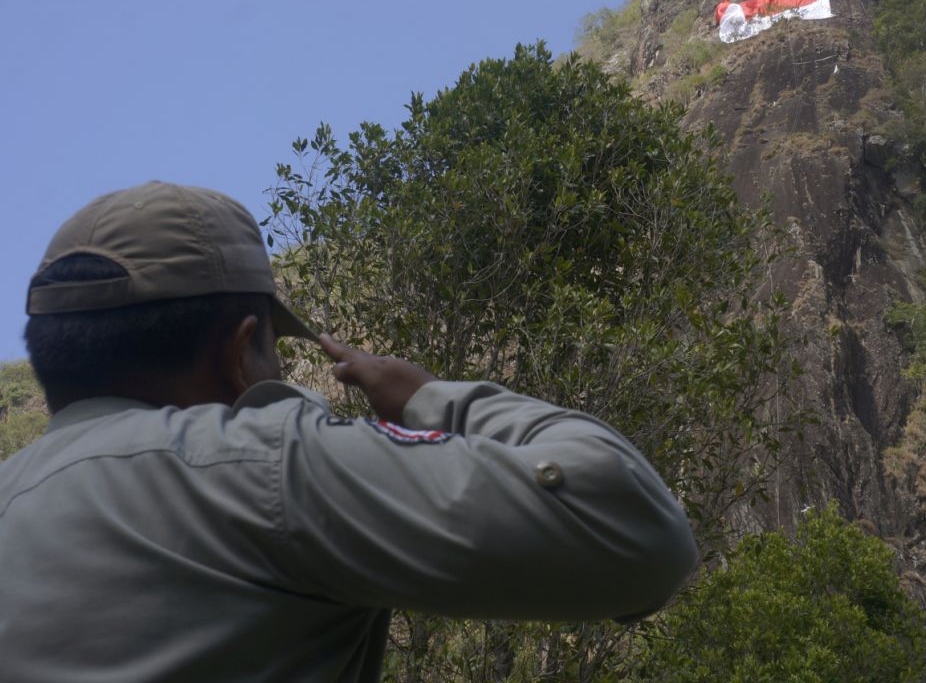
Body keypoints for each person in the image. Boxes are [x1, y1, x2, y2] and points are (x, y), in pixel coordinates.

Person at [0, 181, 698, 682]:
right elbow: (634, 531)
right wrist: (433, 399)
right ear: (241, 352)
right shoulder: (262, 469)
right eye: (274, 347)